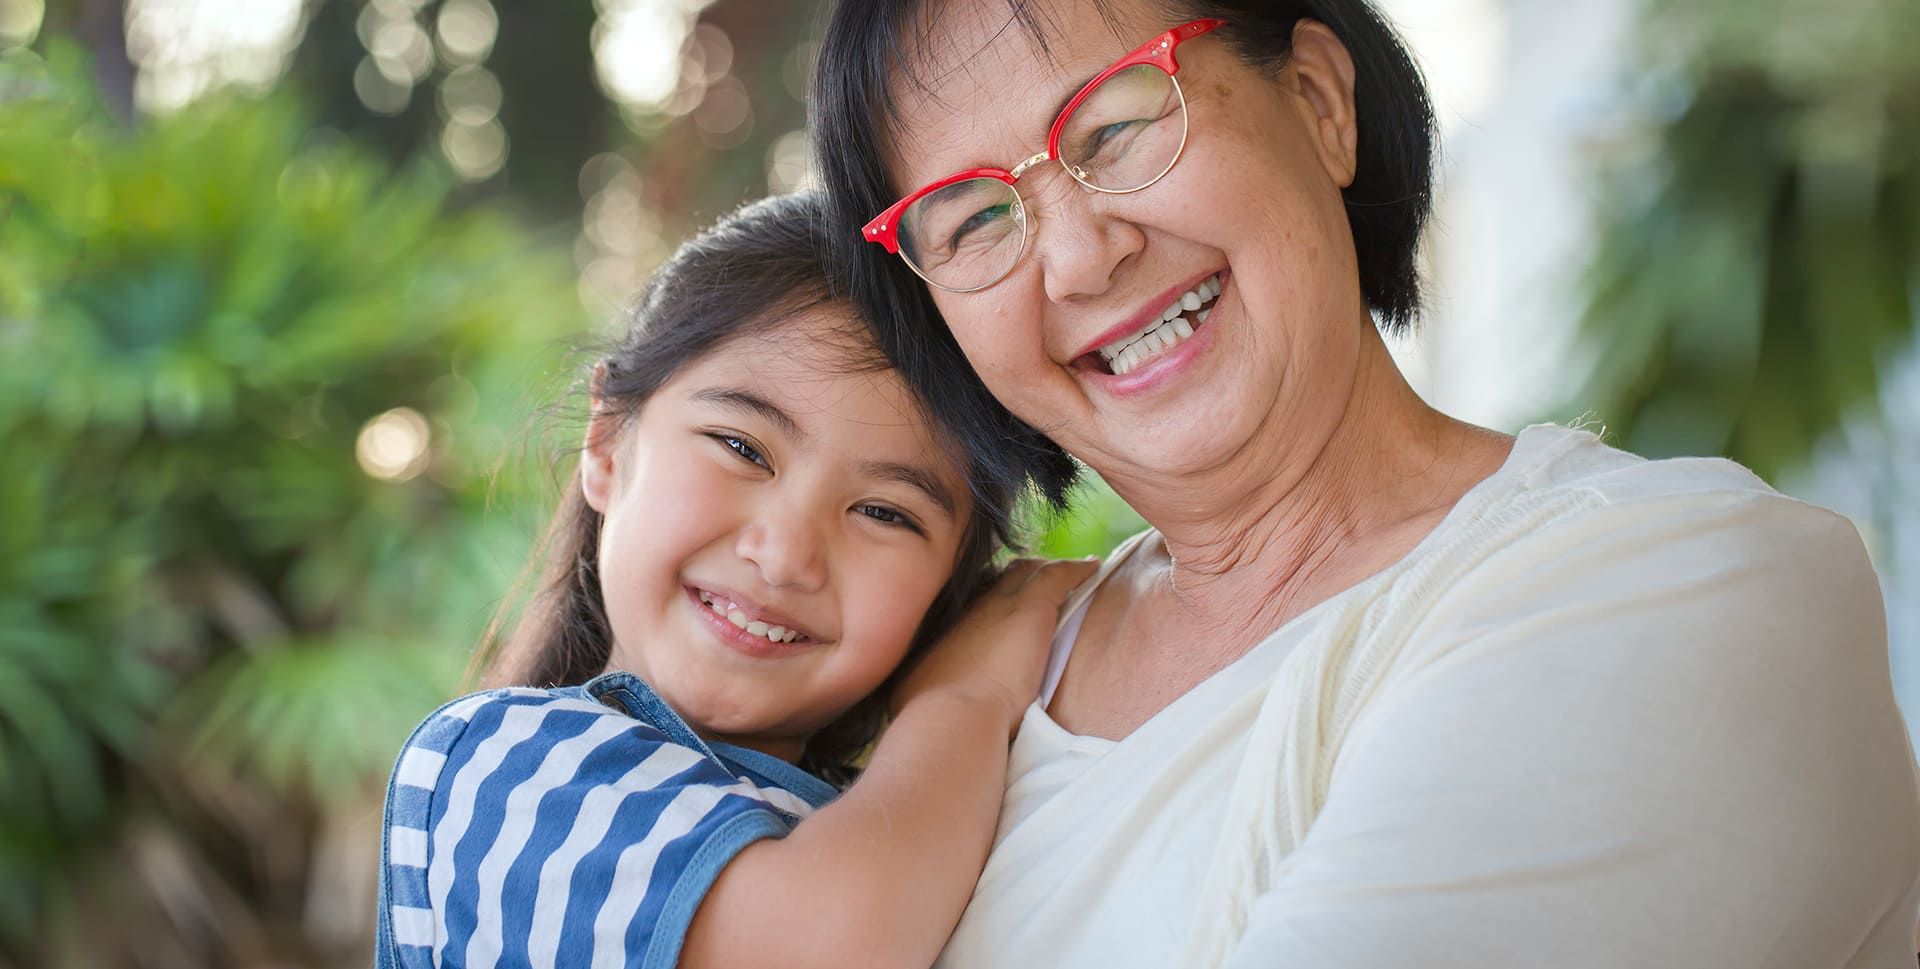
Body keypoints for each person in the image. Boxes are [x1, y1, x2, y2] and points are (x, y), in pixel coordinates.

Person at [811, 2, 1920, 966]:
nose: (1081, 256)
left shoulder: (1686, 589)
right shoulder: (967, 672)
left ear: (1318, 102)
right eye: (976, 222)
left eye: (1118, 125)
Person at [370, 192, 1095, 969]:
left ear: (948, 594)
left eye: (885, 512)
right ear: (609, 442)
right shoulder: (502, 769)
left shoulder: (922, 813)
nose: (785, 554)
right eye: (742, 447)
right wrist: (967, 698)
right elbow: (821, 947)